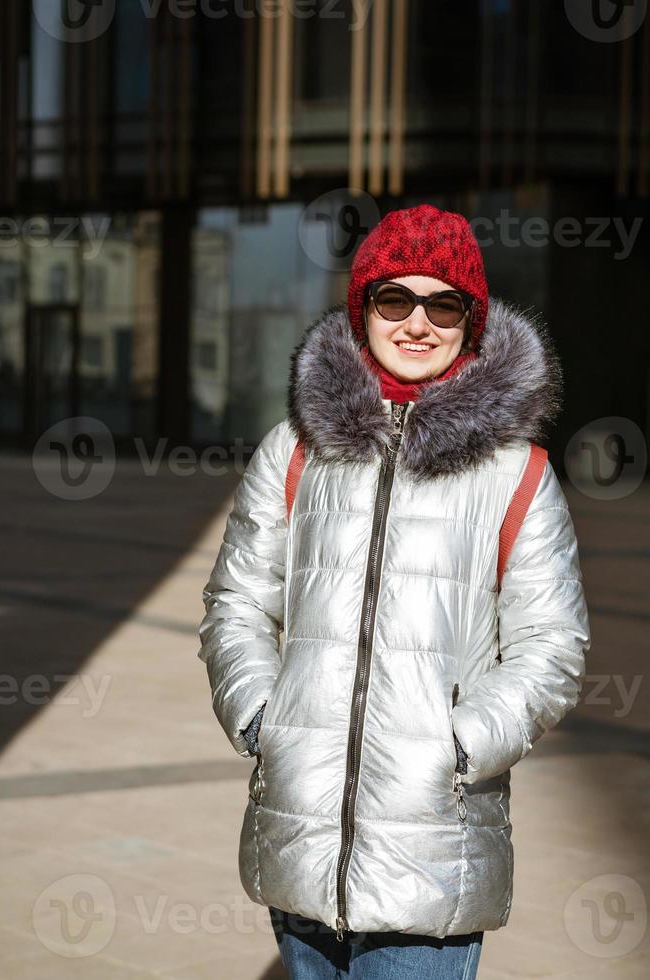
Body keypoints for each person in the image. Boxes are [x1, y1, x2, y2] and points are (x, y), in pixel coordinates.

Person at [198, 204, 591, 979]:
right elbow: (236, 602)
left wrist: (453, 750)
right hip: (301, 833)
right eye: (393, 299)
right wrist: (260, 718)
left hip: (432, 848)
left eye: (443, 304)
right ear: (362, 309)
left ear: (470, 322)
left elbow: (552, 650)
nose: (417, 322)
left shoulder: (516, 471)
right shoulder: (296, 451)